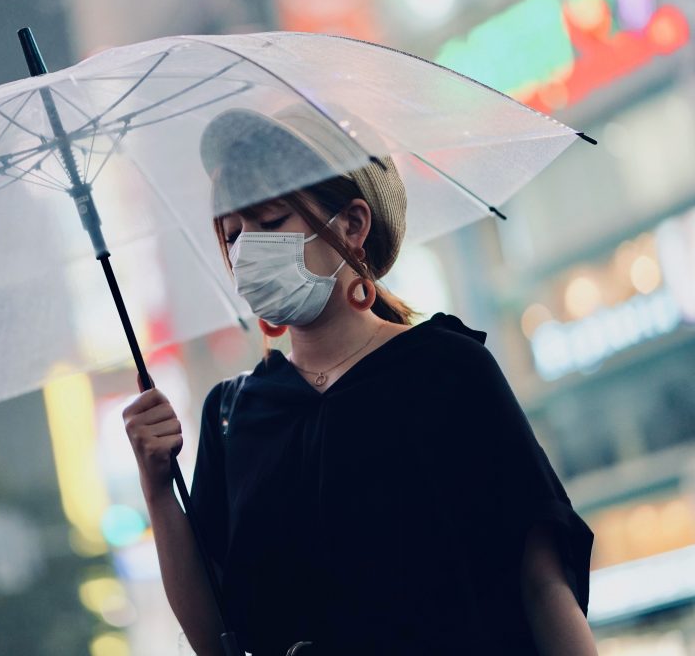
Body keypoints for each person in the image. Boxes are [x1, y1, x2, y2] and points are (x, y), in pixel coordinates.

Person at [122, 105, 597, 655]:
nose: (248, 250)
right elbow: (214, 637)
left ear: (351, 224)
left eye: (272, 222)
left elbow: (541, 584)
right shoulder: (232, 416)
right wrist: (157, 488)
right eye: (232, 236)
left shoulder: (447, 372)